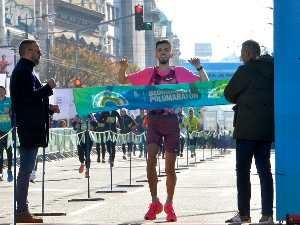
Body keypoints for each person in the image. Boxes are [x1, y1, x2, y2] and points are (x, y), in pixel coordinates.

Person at [118, 39, 208, 222]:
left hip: (172, 122)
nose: (163, 52)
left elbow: (203, 84)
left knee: (169, 168)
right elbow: (122, 81)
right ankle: (154, 202)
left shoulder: (180, 73)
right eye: (160, 50)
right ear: (156, 54)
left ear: (171, 54)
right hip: (153, 121)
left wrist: (199, 67)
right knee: (151, 161)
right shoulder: (149, 73)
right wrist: (123, 68)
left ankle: (169, 204)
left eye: (166, 50)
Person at [224, 40, 274, 223]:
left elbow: (229, 94)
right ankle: (267, 215)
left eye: (241, 53)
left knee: (243, 171)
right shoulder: (273, 70)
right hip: (267, 129)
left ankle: (244, 214)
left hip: (246, 129)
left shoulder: (245, 70)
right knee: (265, 171)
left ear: (247, 53)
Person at [10, 39, 60, 223]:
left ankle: (22, 209)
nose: (40, 55)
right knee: (25, 169)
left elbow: (28, 102)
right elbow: (30, 97)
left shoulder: (25, 70)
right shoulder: (23, 71)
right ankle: (22, 211)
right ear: (29, 51)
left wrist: (49, 109)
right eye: (38, 51)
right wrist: (49, 87)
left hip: (30, 125)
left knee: (26, 168)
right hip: (29, 127)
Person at [0, 86, 13, 182]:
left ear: (5, 91)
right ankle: (0, 172)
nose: (0, 92)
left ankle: (9, 170)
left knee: (9, 152)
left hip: (9, 130)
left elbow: (16, 112)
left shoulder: (10, 100)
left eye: (2, 90)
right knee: (0, 153)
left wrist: (9, 111)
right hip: (0, 131)